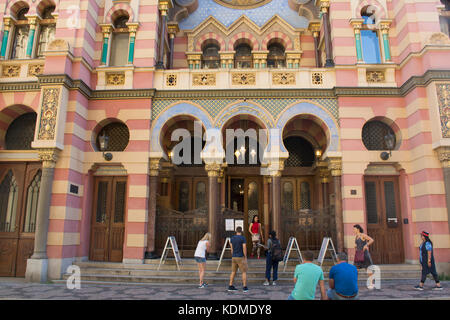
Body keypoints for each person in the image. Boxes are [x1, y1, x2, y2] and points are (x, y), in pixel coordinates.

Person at [353, 224, 375, 289]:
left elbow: (371, 240)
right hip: (358, 254)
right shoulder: (356, 236)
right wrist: (356, 246)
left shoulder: (363, 235)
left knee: (368, 269)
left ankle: (371, 283)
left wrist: (366, 245)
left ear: (358, 229)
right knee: (355, 270)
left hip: (364, 254)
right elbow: (358, 244)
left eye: (354, 229)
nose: (353, 230)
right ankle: (354, 284)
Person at [228, 226, 248, 292]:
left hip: (234, 256)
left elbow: (231, 249)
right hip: (240, 256)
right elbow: (244, 248)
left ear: (236, 231)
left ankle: (230, 285)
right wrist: (245, 257)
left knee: (233, 272)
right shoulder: (243, 238)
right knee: (243, 272)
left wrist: (233, 255)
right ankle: (244, 287)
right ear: (241, 231)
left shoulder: (232, 238)